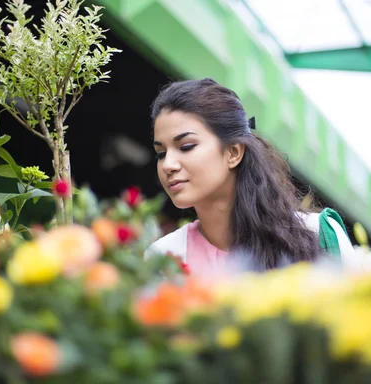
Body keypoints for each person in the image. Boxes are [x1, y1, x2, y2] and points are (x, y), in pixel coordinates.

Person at [145, 78, 355, 275]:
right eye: (161, 154)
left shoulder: (318, 234)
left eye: (186, 146)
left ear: (233, 153)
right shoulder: (163, 257)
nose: (168, 165)